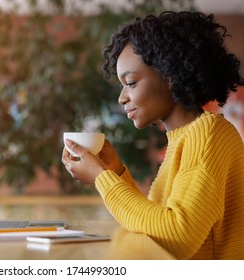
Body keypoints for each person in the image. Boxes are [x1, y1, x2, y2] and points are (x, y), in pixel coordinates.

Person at [62, 11, 244, 260]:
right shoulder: (185, 137)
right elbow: (155, 227)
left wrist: (101, 179)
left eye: (131, 83)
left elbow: (178, 237)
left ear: (170, 77)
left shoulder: (209, 133)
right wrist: (114, 172)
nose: (122, 97)